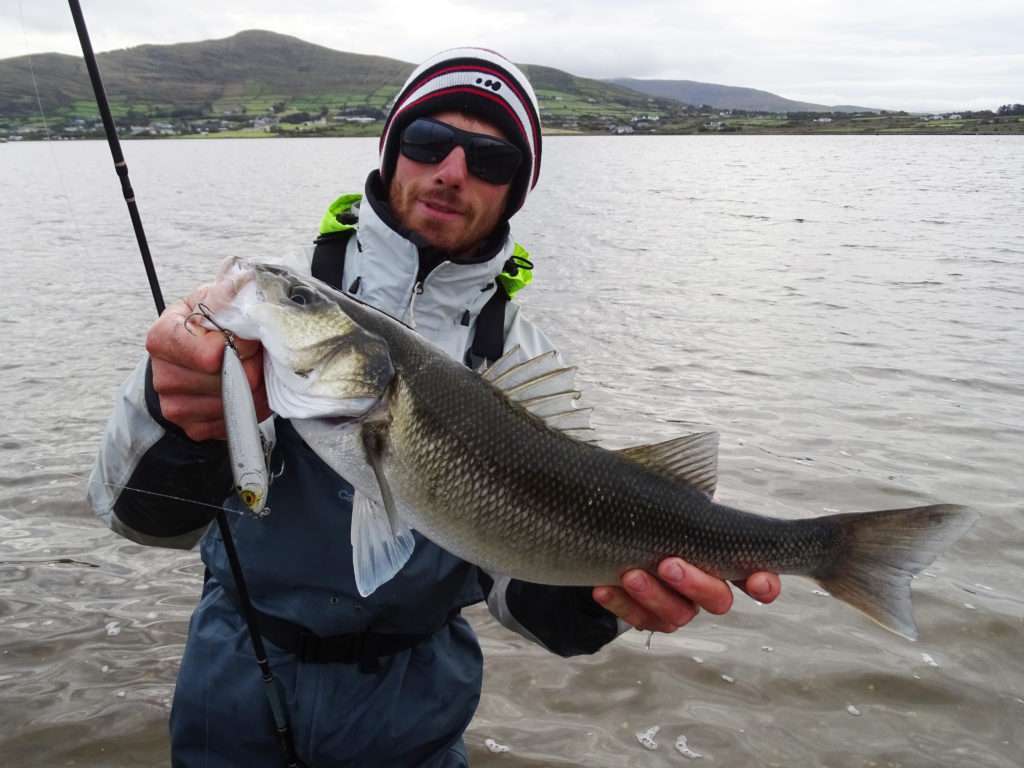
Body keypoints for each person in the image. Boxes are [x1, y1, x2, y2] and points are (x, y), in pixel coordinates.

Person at [89, 48, 781, 767]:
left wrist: (601, 595)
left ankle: (829, 550)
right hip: (235, 680)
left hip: (415, 709)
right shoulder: (271, 313)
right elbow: (134, 521)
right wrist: (181, 422)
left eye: (491, 159)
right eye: (427, 142)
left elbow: (516, 589)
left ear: (515, 190)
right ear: (392, 152)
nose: (452, 171)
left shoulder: (521, 360)